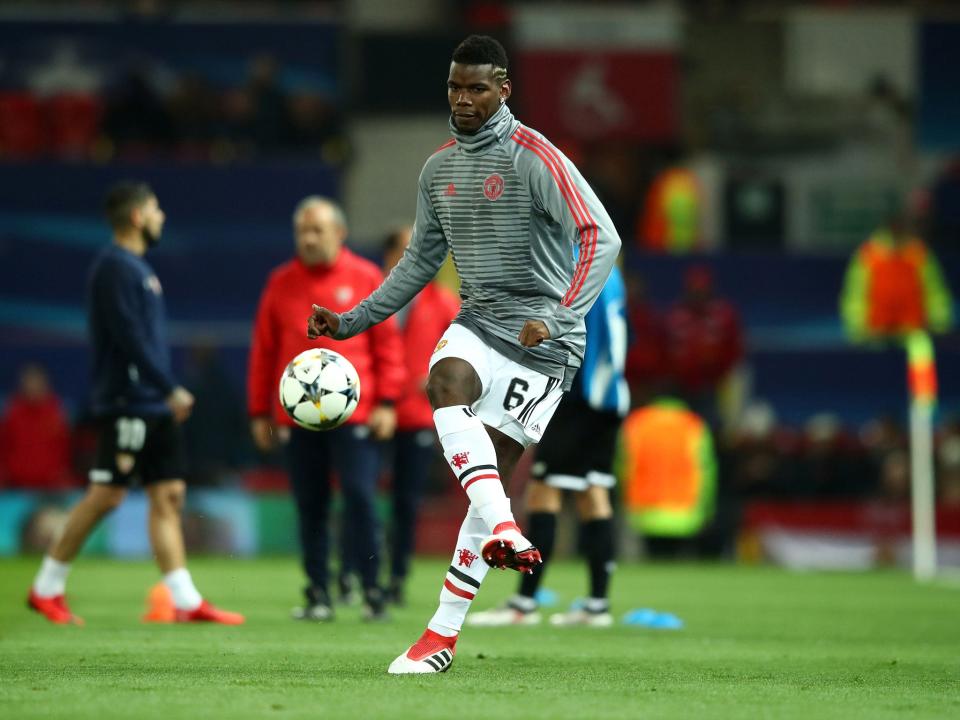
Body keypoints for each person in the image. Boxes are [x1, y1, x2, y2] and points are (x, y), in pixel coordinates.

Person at [307, 35, 620, 673]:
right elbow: (419, 262)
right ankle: (506, 530)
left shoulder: (536, 156)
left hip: (544, 344)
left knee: (489, 486)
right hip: (478, 321)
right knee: (445, 381)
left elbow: (602, 235)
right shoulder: (438, 169)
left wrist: (557, 315)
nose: (463, 99)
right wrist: (351, 321)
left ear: (503, 89)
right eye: (455, 87)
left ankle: (441, 636)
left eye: (477, 88)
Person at [27, 181, 244, 626]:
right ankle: (45, 587)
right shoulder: (115, 267)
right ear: (138, 217)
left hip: (151, 402)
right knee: (106, 495)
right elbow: (128, 337)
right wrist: (169, 387)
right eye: (157, 209)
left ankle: (184, 601)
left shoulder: (137, 268)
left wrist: (162, 393)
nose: (163, 217)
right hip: (129, 400)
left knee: (169, 494)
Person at [247, 196, 404, 622]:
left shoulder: (366, 275)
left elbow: (387, 343)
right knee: (310, 504)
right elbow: (264, 349)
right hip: (298, 419)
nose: (308, 239)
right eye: (302, 231)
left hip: (357, 415)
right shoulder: (280, 282)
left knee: (360, 499)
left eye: (317, 230)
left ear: (340, 233)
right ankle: (318, 592)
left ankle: (372, 591)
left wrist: (388, 402)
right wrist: (260, 412)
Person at [467, 265, 629, 628]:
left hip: (580, 396)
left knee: (544, 492)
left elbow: (572, 327)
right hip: (610, 393)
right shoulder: (609, 268)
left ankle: (523, 604)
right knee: (593, 493)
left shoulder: (576, 262)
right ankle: (597, 604)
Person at [380, 225, 460, 605]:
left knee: (405, 501)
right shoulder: (375, 298)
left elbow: (466, 346)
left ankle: (395, 577)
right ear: (390, 256)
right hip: (371, 411)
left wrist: (436, 370)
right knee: (359, 496)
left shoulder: (442, 302)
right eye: (407, 249)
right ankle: (353, 574)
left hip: (415, 415)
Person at [0, 363, 74, 490]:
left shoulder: (58, 413)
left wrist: (61, 476)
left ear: (46, 384)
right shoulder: (11, 413)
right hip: (16, 486)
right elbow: (4, 446)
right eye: (29, 382)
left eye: (37, 382)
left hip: (51, 487)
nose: (33, 387)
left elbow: (65, 449)